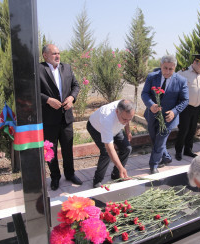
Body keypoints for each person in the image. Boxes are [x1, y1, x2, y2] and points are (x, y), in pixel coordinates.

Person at [39, 44, 82, 191]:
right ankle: (55, 177)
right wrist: (48, 100)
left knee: (67, 148)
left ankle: (70, 174)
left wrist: (71, 98)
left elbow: (76, 86)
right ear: (45, 55)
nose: (57, 56)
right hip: (49, 119)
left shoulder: (67, 68)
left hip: (66, 118)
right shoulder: (38, 69)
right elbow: (32, 91)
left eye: (58, 53)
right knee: (49, 151)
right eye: (54, 54)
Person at [141, 55, 189, 174]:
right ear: (160, 65)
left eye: (170, 69)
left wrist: (174, 111)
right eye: (165, 68)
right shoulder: (152, 77)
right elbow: (145, 93)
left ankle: (154, 165)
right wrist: (151, 105)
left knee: (160, 139)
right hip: (152, 114)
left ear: (175, 68)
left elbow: (185, 100)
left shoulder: (181, 81)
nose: (167, 72)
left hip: (169, 118)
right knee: (154, 138)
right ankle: (166, 157)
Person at [87, 99, 134, 188]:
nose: (127, 121)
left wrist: (128, 131)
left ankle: (116, 175)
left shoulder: (125, 108)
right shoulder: (107, 118)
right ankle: (97, 180)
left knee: (127, 148)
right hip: (97, 128)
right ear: (117, 112)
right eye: (124, 119)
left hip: (115, 128)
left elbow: (127, 118)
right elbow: (110, 148)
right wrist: (121, 167)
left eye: (130, 119)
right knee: (106, 153)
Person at [174, 54, 200, 160]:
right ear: (194, 62)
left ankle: (188, 150)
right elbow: (175, 88)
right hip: (185, 107)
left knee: (192, 129)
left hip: (197, 107)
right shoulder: (183, 72)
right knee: (184, 129)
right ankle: (178, 151)